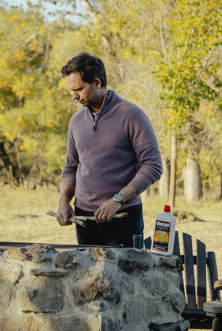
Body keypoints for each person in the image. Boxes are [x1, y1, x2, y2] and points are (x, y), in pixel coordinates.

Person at [55, 53, 162, 246]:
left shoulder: (132, 115)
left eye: (79, 89)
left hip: (122, 216)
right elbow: (71, 166)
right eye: (71, 91)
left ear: (97, 83)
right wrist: (64, 201)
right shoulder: (76, 121)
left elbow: (153, 166)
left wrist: (117, 200)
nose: (74, 96)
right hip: (84, 219)